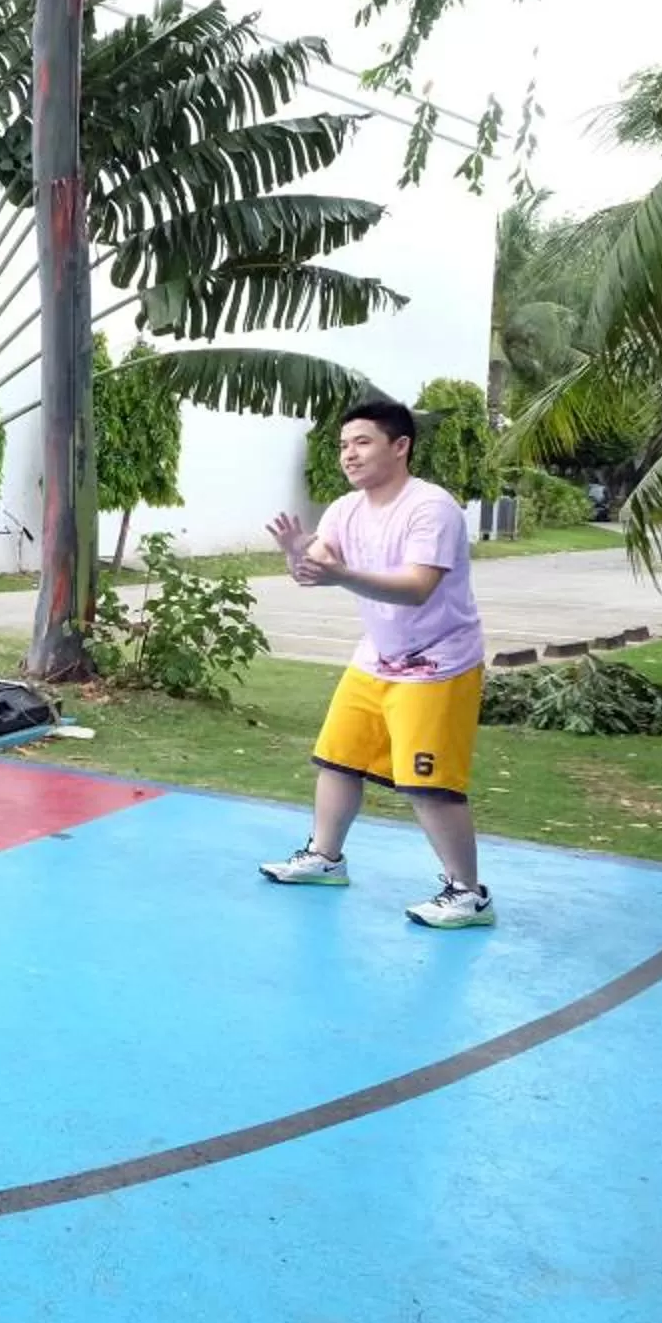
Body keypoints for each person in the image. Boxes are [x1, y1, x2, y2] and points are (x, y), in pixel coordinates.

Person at [258, 397, 496, 929]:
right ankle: (325, 858)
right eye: (344, 445)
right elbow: (313, 571)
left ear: (400, 446)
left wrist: (338, 573)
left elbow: (416, 588)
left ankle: (468, 893)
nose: (349, 455)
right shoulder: (345, 509)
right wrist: (297, 552)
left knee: (428, 785)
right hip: (377, 658)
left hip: (439, 664)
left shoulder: (430, 508)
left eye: (362, 442)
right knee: (337, 759)